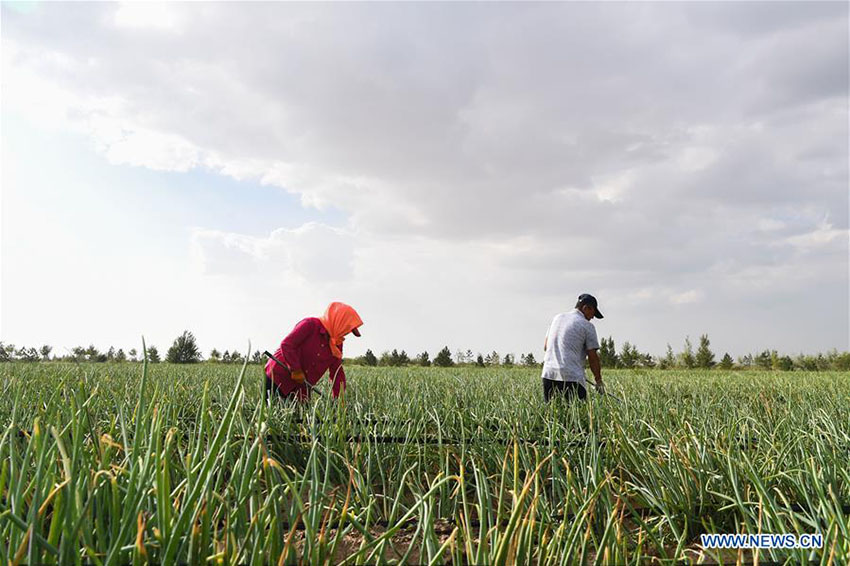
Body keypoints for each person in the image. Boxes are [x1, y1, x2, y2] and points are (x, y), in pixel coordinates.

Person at [265, 301, 363, 402]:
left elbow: (337, 373)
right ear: (338, 322)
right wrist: (296, 370)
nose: (345, 334)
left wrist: (339, 399)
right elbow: (287, 345)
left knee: (301, 416)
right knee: (271, 410)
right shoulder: (310, 325)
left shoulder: (337, 344)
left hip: (302, 387)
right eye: (345, 330)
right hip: (279, 376)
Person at [541, 294, 605, 402]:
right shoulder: (587, 326)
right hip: (572, 379)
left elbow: (546, 346)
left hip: (548, 375)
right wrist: (598, 381)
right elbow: (592, 357)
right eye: (593, 313)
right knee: (579, 416)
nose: (592, 317)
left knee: (553, 416)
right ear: (586, 308)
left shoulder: (557, 318)